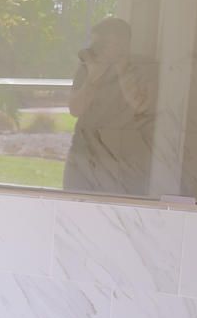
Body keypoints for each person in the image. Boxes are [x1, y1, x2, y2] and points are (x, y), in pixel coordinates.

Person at [64, 17, 155, 196]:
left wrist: (122, 69)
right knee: (73, 208)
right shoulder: (88, 68)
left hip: (124, 161)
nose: (96, 49)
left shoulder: (143, 68)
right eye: (96, 43)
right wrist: (93, 77)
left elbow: (141, 106)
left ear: (124, 44)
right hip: (84, 154)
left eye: (104, 44)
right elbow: (75, 110)